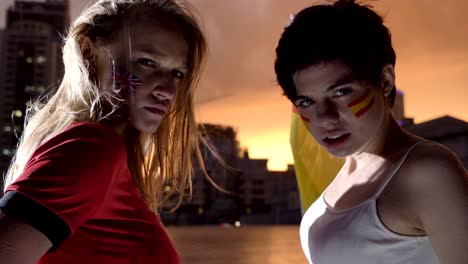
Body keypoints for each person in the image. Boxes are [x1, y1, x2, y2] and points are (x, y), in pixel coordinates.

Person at [0, 0, 209, 263]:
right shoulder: (92, 148)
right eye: (147, 62)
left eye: (177, 73)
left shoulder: (102, 153)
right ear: (89, 53)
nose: (167, 90)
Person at [274, 1, 468, 263]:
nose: (326, 118)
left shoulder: (428, 172)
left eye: (341, 92)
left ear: (385, 81)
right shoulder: (343, 175)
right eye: (307, 101)